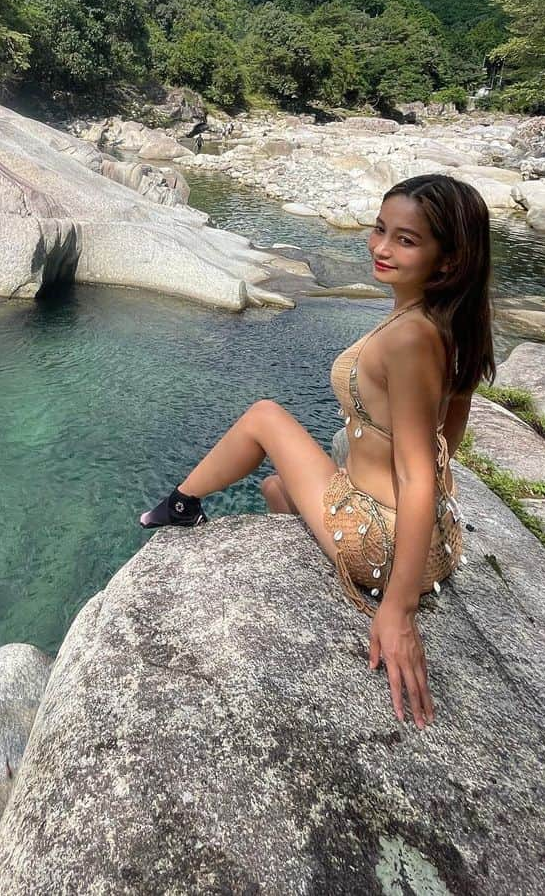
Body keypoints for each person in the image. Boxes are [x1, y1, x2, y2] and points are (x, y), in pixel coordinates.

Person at [139, 174, 495, 730]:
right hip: (434, 544)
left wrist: (398, 612)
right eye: (380, 230)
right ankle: (306, 539)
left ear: (447, 260)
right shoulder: (454, 323)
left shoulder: (409, 338)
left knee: (264, 417)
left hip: (379, 537)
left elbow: (419, 473)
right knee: (275, 487)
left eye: (406, 240)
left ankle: (180, 504)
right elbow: (451, 436)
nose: (380, 247)